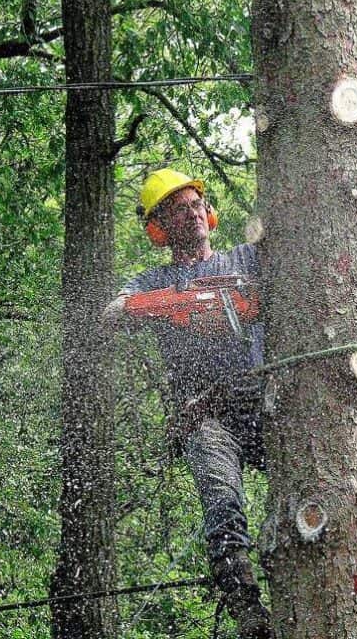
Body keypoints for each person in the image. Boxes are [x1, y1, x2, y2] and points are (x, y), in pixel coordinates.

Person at [110, 168, 271, 639]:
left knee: (313, 483)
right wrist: (178, 304)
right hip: (206, 415)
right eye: (178, 208)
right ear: (160, 227)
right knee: (222, 504)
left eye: (196, 203)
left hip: (264, 400)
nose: (192, 212)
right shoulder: (152, 279)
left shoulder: (246, 258)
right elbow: (112, 311)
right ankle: (248, 612)